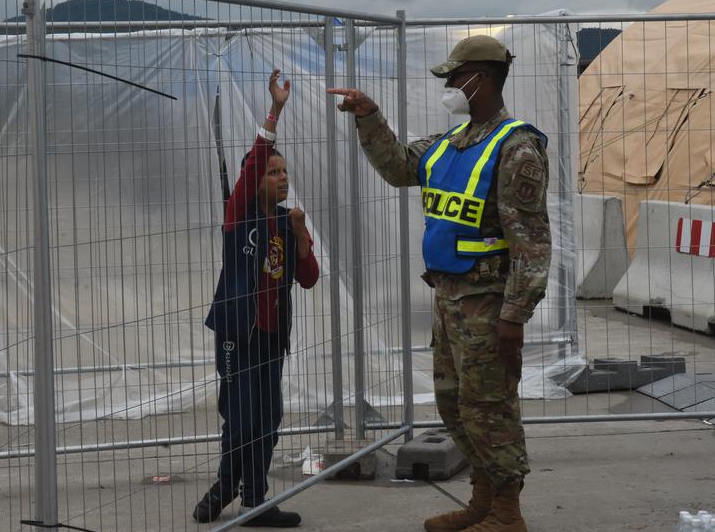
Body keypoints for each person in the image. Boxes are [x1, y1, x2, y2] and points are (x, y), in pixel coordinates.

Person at [328, 35, 551, 532]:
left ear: (484, 79)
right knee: (454, 404)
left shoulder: (516, 149)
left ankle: (508, 513)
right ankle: (483, 501)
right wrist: (370, 116)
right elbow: (399, 166)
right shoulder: (452, 144)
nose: (449, 86)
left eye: (456, 76)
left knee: (489, 407)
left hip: (489, 305)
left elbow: (531, 244)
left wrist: (515, 315)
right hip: (450, 301)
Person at [194, 69, 319, 528]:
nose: (281, 179)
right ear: (258, 179)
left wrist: (303, 236)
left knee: (268, 419)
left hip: (270, 339)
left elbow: (308, 278)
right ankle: (228, 487)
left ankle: (253, 502)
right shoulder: (238, 214)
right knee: (241, 419)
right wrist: (276, 109)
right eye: (273, 172)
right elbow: (250, 165)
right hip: (236, 333)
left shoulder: (288, 222)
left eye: (285, 172)